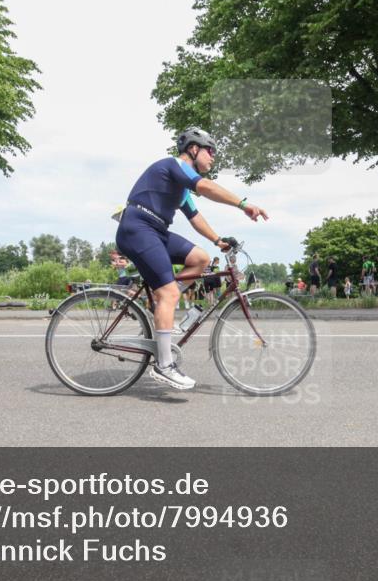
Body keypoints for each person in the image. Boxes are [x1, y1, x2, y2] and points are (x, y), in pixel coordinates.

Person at [114, 127, 267, 390]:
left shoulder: (181, 187)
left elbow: (195, 218)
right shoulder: (174, 165)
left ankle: (160, 301)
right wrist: (243, 204)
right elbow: (205, 187)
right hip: (138, 228)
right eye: (211, 151)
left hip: (156, 230)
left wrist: (218, 241)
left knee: (201, 258)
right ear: (193, 149)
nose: (213, 157)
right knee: (171, 294)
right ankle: (163, 365)